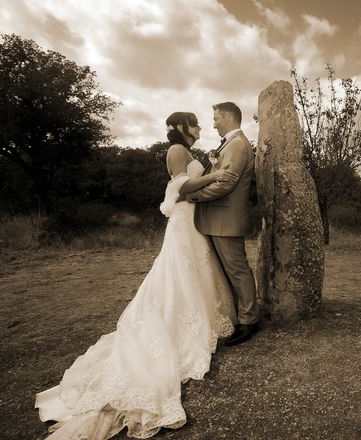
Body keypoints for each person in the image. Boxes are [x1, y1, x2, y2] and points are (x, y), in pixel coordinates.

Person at [35, 112, 239, 439]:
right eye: (196, 124)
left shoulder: (187, 153)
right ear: (183, 127)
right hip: (184, 222)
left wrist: (213, 171)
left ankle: (204, 322)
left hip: (192, 222)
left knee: (194, 272)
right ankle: (181, 326)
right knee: (180, 274)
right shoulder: (175, 150)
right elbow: (182, 187)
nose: (201, 128)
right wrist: (218, 175)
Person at [187, 102, 259, 346]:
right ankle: (241, 315)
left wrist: (193, 195)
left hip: (227, 220)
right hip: (218, 220)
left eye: (216, 118)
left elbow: (226, 183)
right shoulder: (230, 143)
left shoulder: (238, 144)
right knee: (230, 271)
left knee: (237, 270)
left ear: (228, 117)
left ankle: (250, 321)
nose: (214, 123)